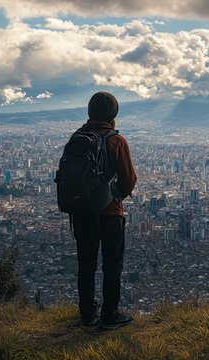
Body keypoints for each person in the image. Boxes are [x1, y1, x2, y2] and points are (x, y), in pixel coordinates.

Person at [71, 91, 137, 329]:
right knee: (112, 265)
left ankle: (87, 314)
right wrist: (114, 193)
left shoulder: (77, 138)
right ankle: (110, 315)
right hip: (110, 214)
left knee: (86, 264)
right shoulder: (116, 141)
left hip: (82, 214)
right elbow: (129, 180)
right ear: (113, 114)